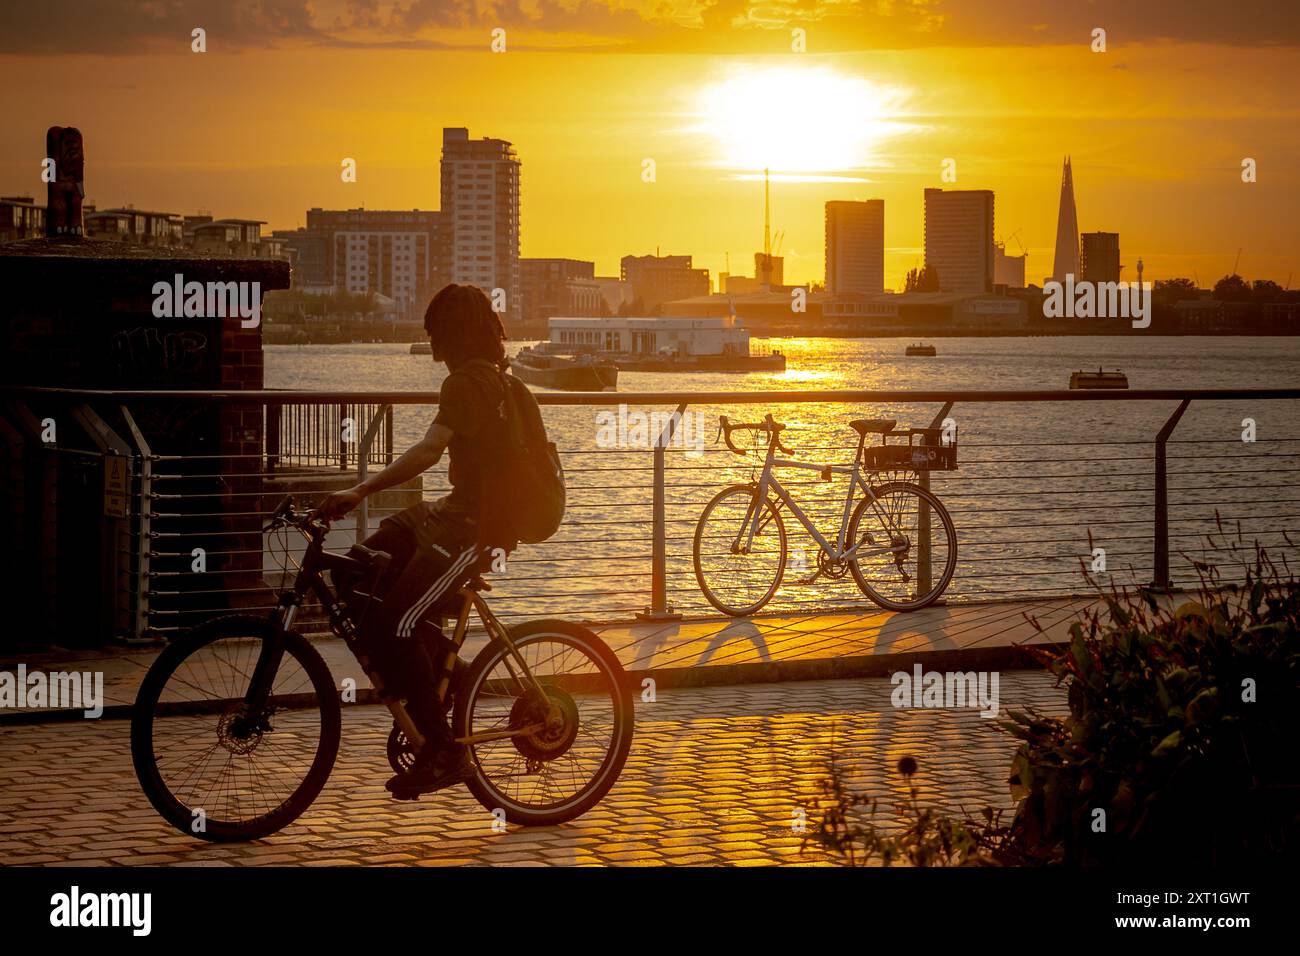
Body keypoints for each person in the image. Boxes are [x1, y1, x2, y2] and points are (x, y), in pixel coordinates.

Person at [317, 284, 514, 798]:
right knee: (353, 570)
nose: (431, 346)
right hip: (448, 512)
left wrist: (361, 488)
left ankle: (445, 752)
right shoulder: (485, 378)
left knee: (395, 623)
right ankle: (455, 675)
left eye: (436, 335)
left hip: (476, 527)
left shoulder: (468, 384)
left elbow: (428, 450)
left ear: (453, 335)